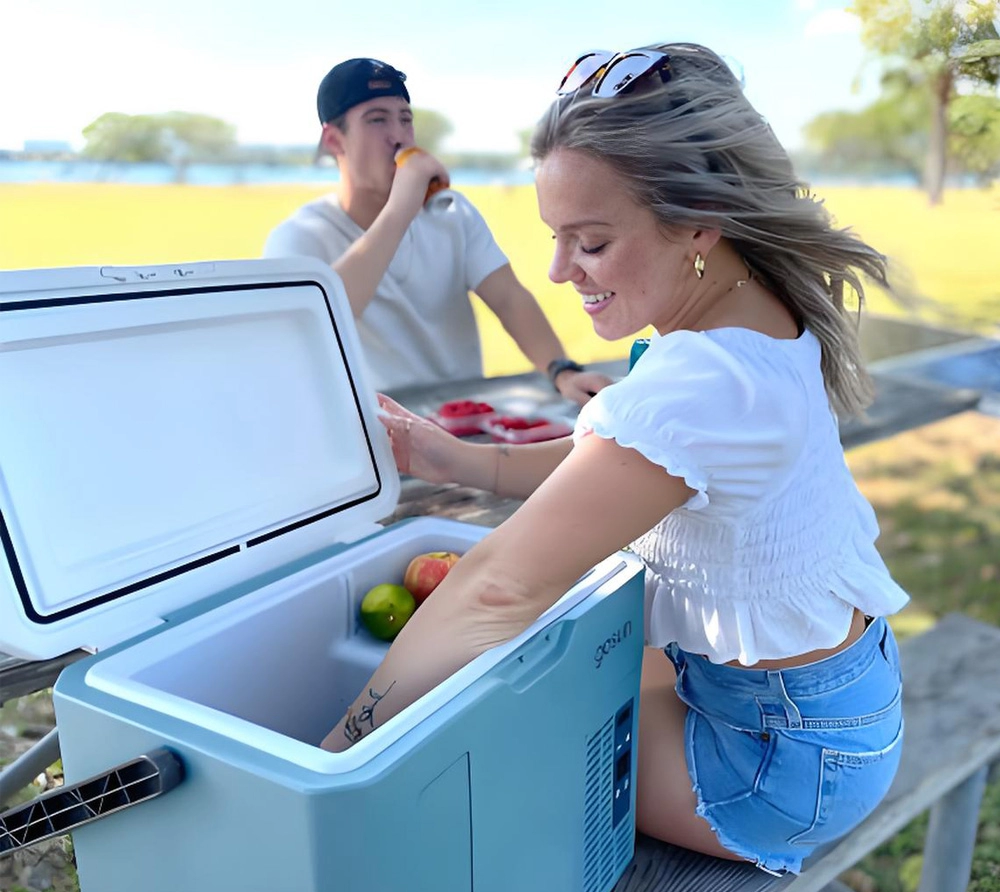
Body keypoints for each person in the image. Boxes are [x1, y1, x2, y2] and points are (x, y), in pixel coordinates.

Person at [320, 43, 910, 877]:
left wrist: (330, 758)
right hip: (837, 708)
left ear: (700, 220)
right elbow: (624, 456)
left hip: (773, 766)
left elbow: (495, 589)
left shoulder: (702, 379)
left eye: (590, 242)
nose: (559, 271)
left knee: (480, 730)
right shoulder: (753, 308)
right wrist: (458, 460)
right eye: (555, 238)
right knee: (554, 663)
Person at [262, 57, 611, 404]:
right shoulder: (300, 236)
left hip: (461, 413)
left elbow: (508, 298)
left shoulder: (452, 214)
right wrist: (401, 208)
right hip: (369, 420)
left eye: (405, 119)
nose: (399, 137)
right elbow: (314, 325)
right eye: (377, 120)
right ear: (334, 141)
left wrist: (562, 371)